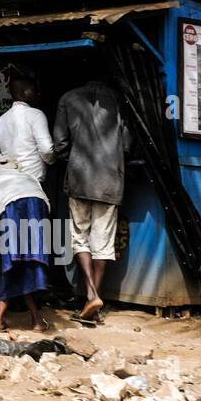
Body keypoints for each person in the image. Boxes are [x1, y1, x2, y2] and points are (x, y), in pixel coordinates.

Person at [53, 78, 131, 324]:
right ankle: (93, 302)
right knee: (103, 241)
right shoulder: (119, 100)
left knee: (80, 237)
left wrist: (75, 161)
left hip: (80, 179)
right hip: (110, 181)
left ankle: (91, 294)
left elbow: (60, 144)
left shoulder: (68, 97)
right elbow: (128, 144)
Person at [0, 76, 56, 331]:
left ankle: (11, 317)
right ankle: (26, 317)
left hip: (5, 196)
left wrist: (8, 162)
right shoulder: (36, 115)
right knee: (29, 255)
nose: (37, 92)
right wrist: (50, 160)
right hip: (30, 193)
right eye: (34, 88)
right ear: (25, 92)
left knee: (13, 254)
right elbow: (47, 149)